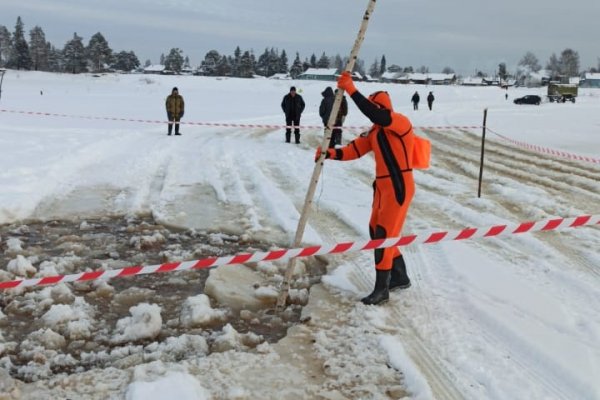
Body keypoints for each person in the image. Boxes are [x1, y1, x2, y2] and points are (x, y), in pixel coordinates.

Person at [315, 71, 430, 305]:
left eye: (376, 107)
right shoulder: (375, 132)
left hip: (399, 185)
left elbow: (376, 113)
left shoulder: (399, 123)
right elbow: (354, 150)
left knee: (383, 236)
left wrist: (351, 89)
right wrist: (330, 154)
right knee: (376, 231)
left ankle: (381, 289)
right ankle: (399, 277)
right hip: (382, 187)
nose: (373, 113)